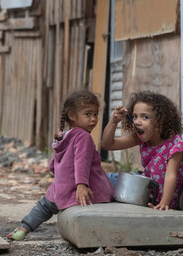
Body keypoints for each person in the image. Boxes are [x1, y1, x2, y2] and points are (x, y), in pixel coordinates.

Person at [7, 90, 114, 241]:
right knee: (113, 185)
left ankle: (22, 229)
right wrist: (81, 184)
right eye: (88, 114)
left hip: (61, 187)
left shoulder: (65, 135)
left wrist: (61, 178)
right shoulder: (83, 137)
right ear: (71, 115)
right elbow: (81, 162)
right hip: (79, 188)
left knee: (44, 206)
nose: (93, 119)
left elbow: (53, 164)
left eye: (95, 114)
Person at [101, 91, 183, 210]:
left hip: (155, 198)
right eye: (135, 116)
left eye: (145, 117)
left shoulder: (175, 145)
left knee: (102, 181)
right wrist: (113, 121)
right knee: (105, 177)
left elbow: (170, 175)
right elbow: (107, 144)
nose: (137, 121)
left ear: (160, 121)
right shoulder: (141, 139)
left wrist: (164, 203)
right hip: (144, 190)